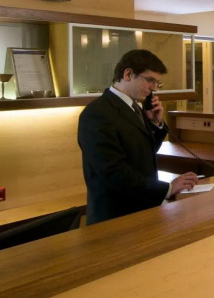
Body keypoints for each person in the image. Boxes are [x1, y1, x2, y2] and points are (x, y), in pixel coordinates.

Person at [78, 49, 198, 225]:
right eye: (149, 80)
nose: (154, 88)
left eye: (157, 83)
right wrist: (168, 188)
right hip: (116, 217)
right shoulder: (97, 114)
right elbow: (115, 173)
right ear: (128, 74)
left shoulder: (135, 108)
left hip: (142, 207)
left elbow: (143, 153)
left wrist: (155, 123)